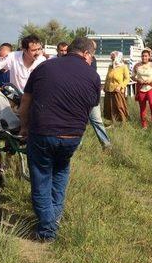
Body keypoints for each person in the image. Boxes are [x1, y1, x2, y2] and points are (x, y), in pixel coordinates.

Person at [19, 37, 100, 242]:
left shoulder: (44, 67)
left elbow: (25, 101)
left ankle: (48, 229)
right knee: (60, 173)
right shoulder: (93, 76)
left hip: (42, 133)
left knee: (41, 177)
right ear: (86, 54)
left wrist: (24, 126)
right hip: (72, 136)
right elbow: (90, 107)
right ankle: (54, 219)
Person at [133, 48, 152, 129]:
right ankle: (144, 125)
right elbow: (132, 76)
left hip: (150, 87)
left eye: (146, 56)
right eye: (142, 56)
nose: (144, 57)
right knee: (142, 107)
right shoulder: (137, 65)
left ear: (149, 57)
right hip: (141, 88)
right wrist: (138, 80)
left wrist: (150, 80)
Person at [103, 51, 130, 123]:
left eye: (113, 58)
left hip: (118, 90)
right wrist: (105, 86)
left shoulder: (123, 67)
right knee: (110, 107)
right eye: (111, 58)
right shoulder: (110, 66)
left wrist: (121, 86)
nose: (112, 59)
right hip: (109, 89)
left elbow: (127, 78)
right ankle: (113, 122)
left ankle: (123, 122)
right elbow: (107, 77)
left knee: (119, 106)